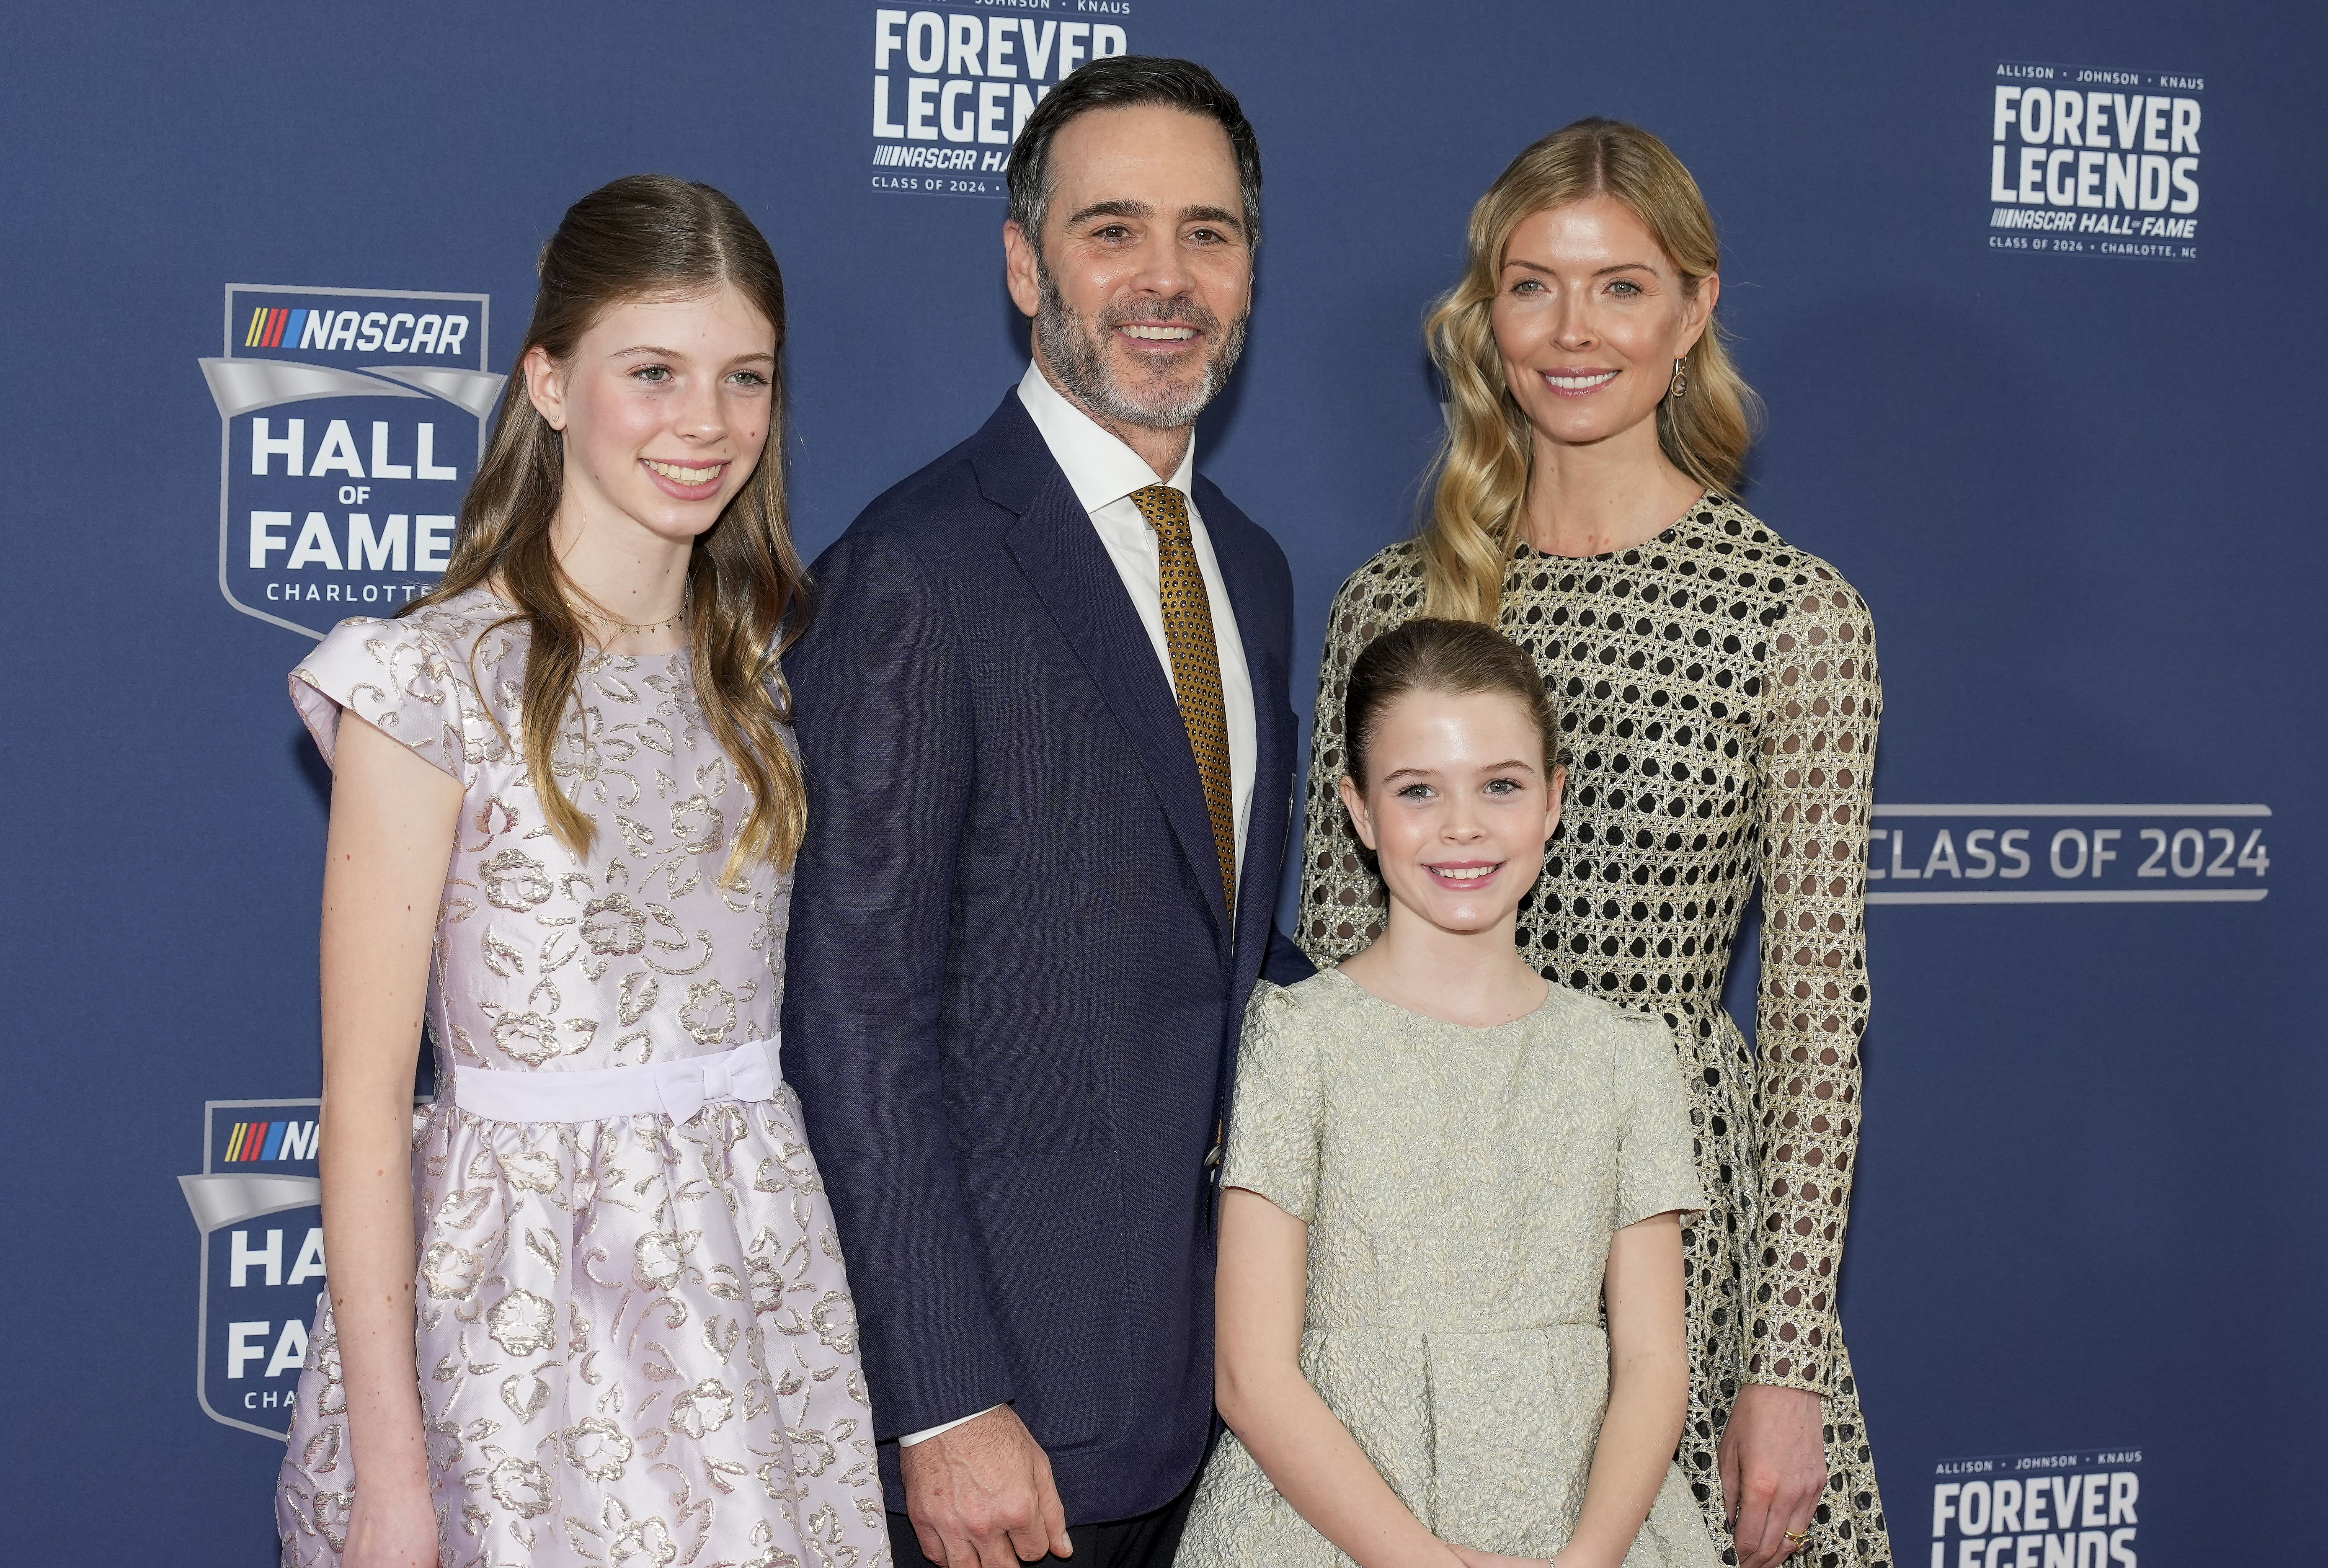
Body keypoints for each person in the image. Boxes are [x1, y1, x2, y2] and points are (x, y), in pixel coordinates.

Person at [1294, 121, 1889, 1568]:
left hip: (1674, 1218)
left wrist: (1783, 1364)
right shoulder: (1392, 602)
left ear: (1691, 312)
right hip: (1420, 1214)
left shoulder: (1795, 617)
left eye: (1621, 287)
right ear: (1482, 316)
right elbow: (1326, 949)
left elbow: (1815, 1013)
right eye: (1531, 286)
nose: (1573, 332)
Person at [275, 176, 889, 1568]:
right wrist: (393, 1475)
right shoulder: (429, 682)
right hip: (520, 1322)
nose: (708, 423)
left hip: (753, 1299)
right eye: (652, 372)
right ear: (547, 381)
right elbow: (366, 1102)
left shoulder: (764, 682)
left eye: (746, 379)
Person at [779, 54, 1311, 1568]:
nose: (1166, 278)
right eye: (1112, 230)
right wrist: (941, 1396)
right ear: (1025, 265)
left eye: (1207, 234)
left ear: (1250, 272)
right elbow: (849, 1023)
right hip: (1000, 1413)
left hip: (1209, 1392)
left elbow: (1211, 950)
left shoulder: (1251, 568)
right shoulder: (915, 571)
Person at [1179, 618, 1715, 1568]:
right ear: (1358, 810)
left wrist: (1589, 1560)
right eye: (1418, 791)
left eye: (1500, 786)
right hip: (1333, 1524)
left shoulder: (1627, 1057)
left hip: (1586, 1524)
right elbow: (1251, 1375)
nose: (1462, 826)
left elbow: (1652, 1363)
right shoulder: (1299, 1039)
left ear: (1553, 800)